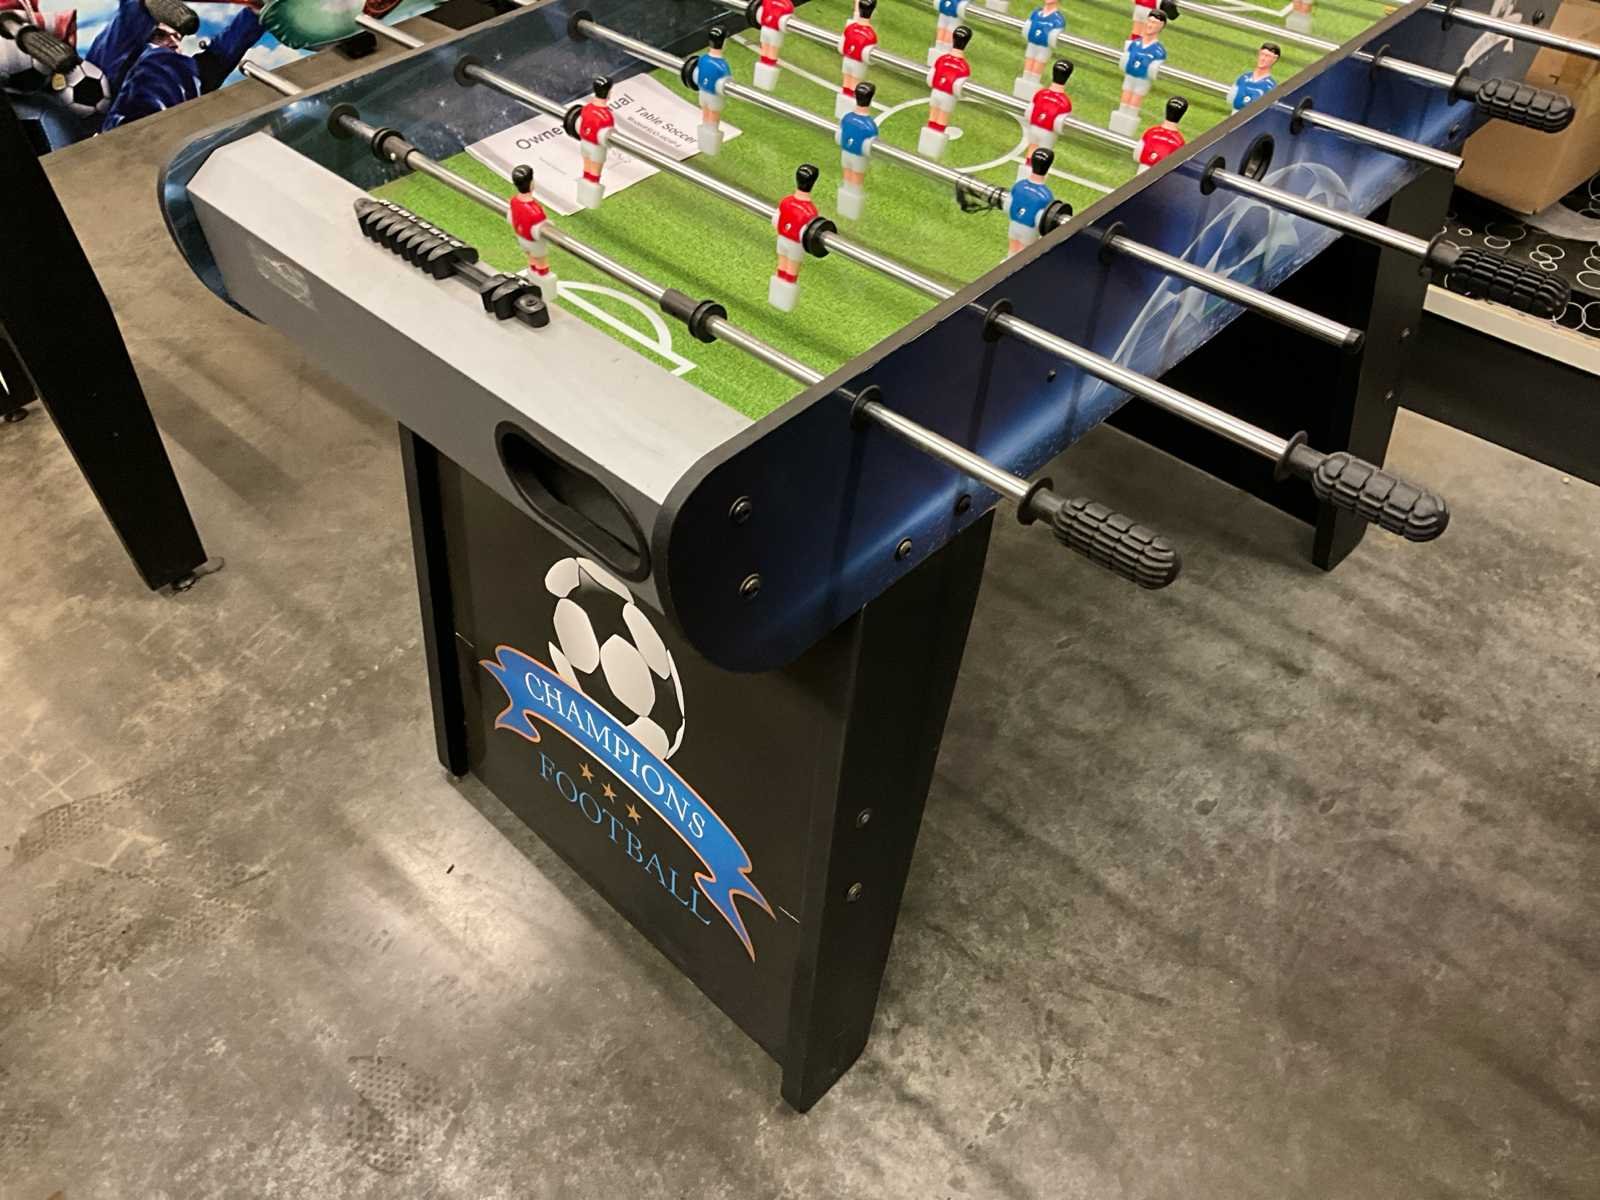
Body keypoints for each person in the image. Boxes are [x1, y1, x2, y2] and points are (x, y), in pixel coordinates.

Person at [1110, 1, 1174, 137]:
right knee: (1126, 95)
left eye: (1154, 23)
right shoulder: (1135, 44)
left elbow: (1155, 67)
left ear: (1161, 27)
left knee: (1135, 98)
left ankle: (1127, 126)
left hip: (1142, 79)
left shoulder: (1158, 51)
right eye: (1149, 21)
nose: (1150, 25)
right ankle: (1117, 123)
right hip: (1130, 75)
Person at [770, 164, 819, 312]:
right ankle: (784, 303)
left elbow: (775, 220)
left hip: (782, 240)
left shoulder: (786, 201)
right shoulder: (810, 211)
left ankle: (776, 298)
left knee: (781, 267)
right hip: (795, 245)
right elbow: (806, 232)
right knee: (791, 272)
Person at [920, 22, 972, 161]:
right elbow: (959, 88)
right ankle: (933, 151)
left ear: (952, 39)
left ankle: (925, 147)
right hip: (948, 97)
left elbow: (931, 78)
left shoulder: (941, 59)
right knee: (942, 120)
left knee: (932, 118)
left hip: (935, 93)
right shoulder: (964, 67)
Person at [1022, 58, 1073, 178]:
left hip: (1034, 128)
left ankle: (1025, 172)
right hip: (1048, 133)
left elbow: (1029, 112)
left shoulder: (1041, 94)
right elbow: (1060, 124)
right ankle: (1037, 177)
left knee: (1032, 148)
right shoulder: (1065, 102)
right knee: (1043, 155)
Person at [507, 163, 555, 289]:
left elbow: (510, 218)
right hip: (534, 242)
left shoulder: (514, 201)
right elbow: (541, 228)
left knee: (531, 259)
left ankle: (534, 280)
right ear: (531, 183)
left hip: (521, 238)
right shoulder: (536, 210)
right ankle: (543, 288)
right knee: (541, 264)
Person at [836, 81, 878, 220]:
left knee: (847, 178)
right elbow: (871, 143)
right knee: (855, 182)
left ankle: (845, 206)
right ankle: (851, 210)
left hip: (846, 153)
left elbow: (840, 135)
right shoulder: (870, 126)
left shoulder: (847, 118)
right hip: (858, 157)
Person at [575, 75, 615, 209]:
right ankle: (590, 202)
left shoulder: (586, 108)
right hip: (597, 148)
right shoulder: (606, 116)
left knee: (586, 170)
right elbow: (608, 136)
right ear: (608, 92)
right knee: (594, 175)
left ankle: (583, 198)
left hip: (585, 144)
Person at [1007, 147, 1055, 257]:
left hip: (1014, 226)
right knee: (1023, 256)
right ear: (1048, 167)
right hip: (1029, 230)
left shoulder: (1019, 186)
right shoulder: (1046, 196)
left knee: (1012, 250)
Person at [1013, 0, 1065, 100]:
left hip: (1043, 46)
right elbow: (1028, 26)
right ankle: (1024, 81)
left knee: (1039, 62)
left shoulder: (1058, 19)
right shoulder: (1036, 13)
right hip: (1032, 43)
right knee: (1029, 60)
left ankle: (1033, 84)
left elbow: (1054, 35)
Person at [694, 25, 731, 155]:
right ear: (724, 42)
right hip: (714, 96)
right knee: (713, 118)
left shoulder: (703, 59)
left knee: (705, 116)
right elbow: (728, 81)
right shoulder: (722, 65)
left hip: (703, 93)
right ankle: (710, 147)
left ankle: (705, 144)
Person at [837, 0, 877, 119]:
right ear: (873, 12)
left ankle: (841, 112)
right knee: (855, 87)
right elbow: (868, 55)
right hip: (858, 63)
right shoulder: (870, 34)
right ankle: (852, 113)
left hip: (847, 60)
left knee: (846, 85)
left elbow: (841, 47)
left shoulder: (850, 28)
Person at [1135, 94, 1187, 172]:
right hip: (1161, 174)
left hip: (1142, 169)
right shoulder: (1179, 141)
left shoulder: (1151, 132)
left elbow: (1137, 154)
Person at [752, 0, 793, 91]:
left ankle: (766, 78)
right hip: (768, 28)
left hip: (772, 30)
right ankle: (762, 77)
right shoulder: (782, 4)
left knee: (770, 51)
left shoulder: (784, 4)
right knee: (766, 50)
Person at [1229, 42, 1279, 111]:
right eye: (1262, 54)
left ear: (1274, 59)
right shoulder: (1243, 78)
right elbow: (1231, 99)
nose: (1263, 58)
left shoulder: (1270, 86)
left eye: (1267, 56)